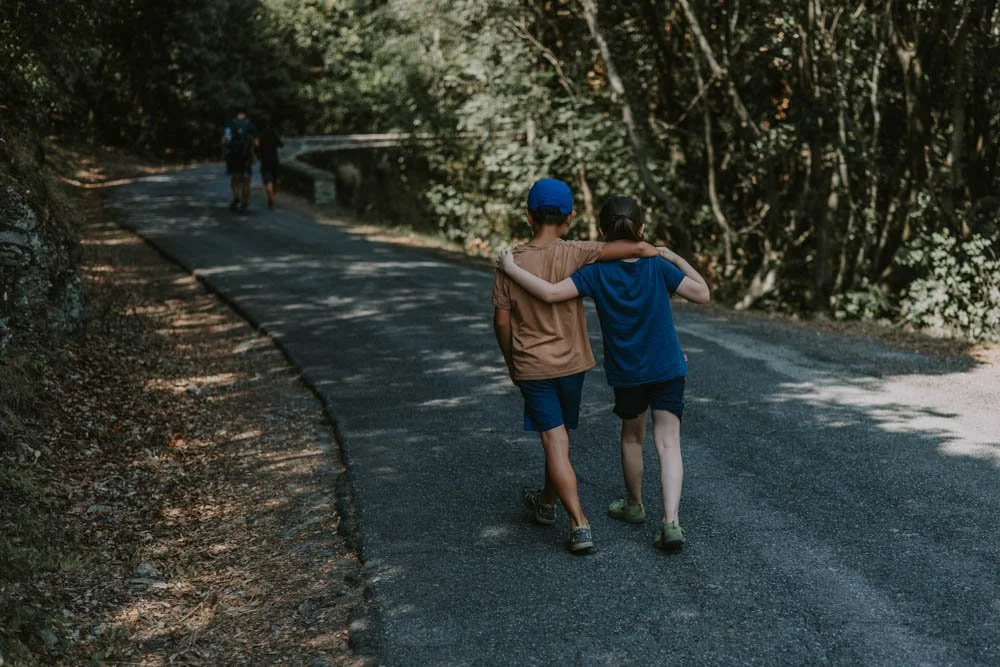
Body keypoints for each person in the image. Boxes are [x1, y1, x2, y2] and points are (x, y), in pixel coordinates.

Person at [498, 195, 710, 552]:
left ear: (600, 232)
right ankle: (671, 522)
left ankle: (634, 504)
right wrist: (671, 255)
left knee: (632, 438)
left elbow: (550, 294)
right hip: (668, 366)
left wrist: (512, 269)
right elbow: (702, 293)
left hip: (628, 371)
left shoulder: (595, 271)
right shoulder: (658, 266)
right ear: (642, 229)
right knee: (669, 443)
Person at [222, 107, 256, 214]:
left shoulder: (230, 124)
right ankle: (244, 203)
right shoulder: (250, 124)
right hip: (246, 156)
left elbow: (225, 140)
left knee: (235, 178)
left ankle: (236, 196)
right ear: (245, 114)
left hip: (233, 155)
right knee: (247, 180)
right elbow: (256, 143)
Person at [256, 123, 284, 209]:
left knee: (267, 181)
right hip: (274, 160)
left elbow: (256, 147)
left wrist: (258, 156)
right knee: (274, 179)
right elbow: (281, 145)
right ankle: (272, 196)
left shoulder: (260, 136)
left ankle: (270, 196)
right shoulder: (274, 134)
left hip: (265, 161)